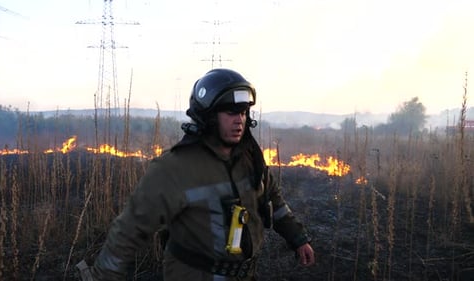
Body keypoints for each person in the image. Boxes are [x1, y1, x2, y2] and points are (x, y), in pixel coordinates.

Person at [90, 68, 315, 280]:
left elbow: (273, 200)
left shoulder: (249, 158)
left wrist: (297, 238)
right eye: (231, 112)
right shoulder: (175, 168)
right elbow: (130, 230)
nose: (240, 119)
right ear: (207, 116)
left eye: (244, 112)